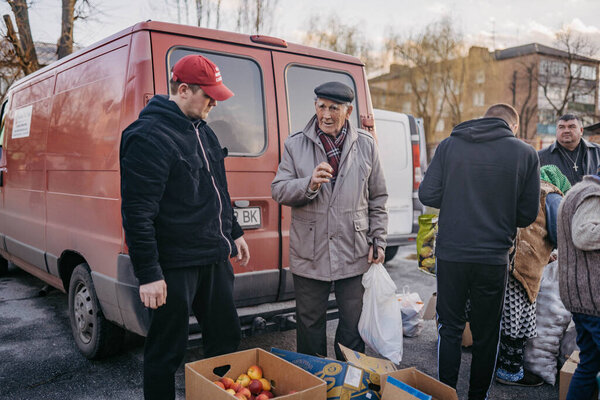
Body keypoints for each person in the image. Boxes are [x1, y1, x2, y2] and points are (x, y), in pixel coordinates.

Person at [120, 54, 250, 400]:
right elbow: (137, 212)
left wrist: (234, 232)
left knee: (226, 341)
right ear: (182, 89)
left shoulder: (203, 132)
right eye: (208, 96)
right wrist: (148, 273)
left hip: (213, 258)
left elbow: (218, 190)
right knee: (166, 352)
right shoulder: (148, 137)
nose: (214, 103)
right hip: (174, 266)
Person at [419, 103, 540, 400]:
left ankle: (445, 394)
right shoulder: (525, 153)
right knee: (487, 335)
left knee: (450, 328)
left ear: (483, 120)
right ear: (513, 127)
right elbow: (526, 215)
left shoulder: (450, 146)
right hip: (493, 256)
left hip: (452, 253)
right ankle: (477, 396)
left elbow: (427, 194)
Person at [271, 81, 388, 360]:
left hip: (354, 248)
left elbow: (378, 197)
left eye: (333, 108)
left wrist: (379, 240)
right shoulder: (295, 144)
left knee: (352, 325)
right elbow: (278, 189)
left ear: (347, 111)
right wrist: (308, 184)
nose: (325, 114)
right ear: (314, 106)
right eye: (321, 106)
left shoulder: (366, 145)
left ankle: (347, 383)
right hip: (309, 251)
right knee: (309, 324)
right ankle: (314, 382)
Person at [495, 165, 571, 387]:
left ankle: (499, 366)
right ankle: (509, 373)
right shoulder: (552, 196)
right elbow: (559, 234)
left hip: (505, 259)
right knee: (517, 321)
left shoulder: (519, 188)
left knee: (504, 317)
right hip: (525, 265)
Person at [558, 167, 600, 400]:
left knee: (588, 365)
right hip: (593, 299)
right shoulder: (594, 195)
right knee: (588, 364)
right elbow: (583, 235)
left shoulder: (579, 190)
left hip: (581, 297)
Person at [538, 113, 600, 185]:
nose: (566, 131)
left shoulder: (597, 152)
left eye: (571, 127)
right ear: (556, 131)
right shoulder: (541, 157)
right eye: (561, 127)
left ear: (581, 130)